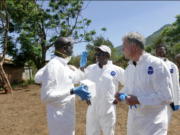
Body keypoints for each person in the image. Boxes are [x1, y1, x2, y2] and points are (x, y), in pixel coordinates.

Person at [114, 32, 173, 135]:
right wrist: (121, 95)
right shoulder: (129, 68)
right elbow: (129, 87)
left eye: (124, 47)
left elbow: (166, 96)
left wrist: (137, 100)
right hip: (133, 121)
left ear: (134, 46)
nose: (122, 50)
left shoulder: (156, 64)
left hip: (152, 123)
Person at [40, 37, 91, 135]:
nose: (72, 51)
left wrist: (81, 68)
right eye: (71, 48)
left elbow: (76, 79)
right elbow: (46, 96)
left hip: (67, 115)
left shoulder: (64, 65)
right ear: (64, 49)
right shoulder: (53, 66)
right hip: (58, 120)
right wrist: (72, 91)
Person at [80, 45, 125, 135]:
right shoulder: (91, 68)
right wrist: (85, 96)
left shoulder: (116, 70)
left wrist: (120, 96)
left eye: (100, 53)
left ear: (107, 55)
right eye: (97, 53)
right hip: (92, 108)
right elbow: (81, 80)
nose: (97, 55)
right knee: (91, 132)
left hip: (108, 109)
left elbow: (129, 83)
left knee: (108, 132)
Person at [155, 44, 180, 126]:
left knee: (165, 124)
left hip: (168, 102)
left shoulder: (172, 66)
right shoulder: (151, 65)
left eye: (161, 52)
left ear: (166, 52)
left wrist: (176, 102)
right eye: (157, 52)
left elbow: (175, 85)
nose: (159, 54)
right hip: (153, 101)